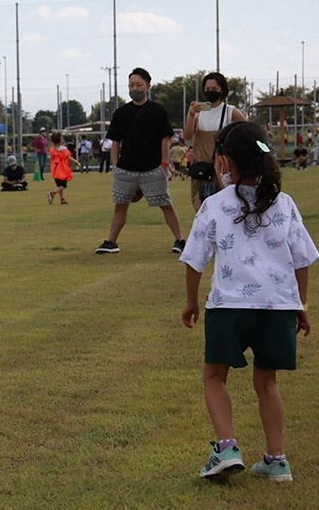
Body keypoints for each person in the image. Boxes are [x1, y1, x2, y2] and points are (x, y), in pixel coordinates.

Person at [180, 121, 318, 482]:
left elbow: (195, 259)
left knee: (214, 376)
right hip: (278, 307)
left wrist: (191, 302)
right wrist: (299, 306)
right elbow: (301, 259)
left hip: (229, 305)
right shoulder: (283, 203)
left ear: (223, 161)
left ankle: (226, 448)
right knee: (267, 382)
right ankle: (276, 460)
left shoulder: (214, 205)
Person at [95, 67, 186, 255]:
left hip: (152, 168)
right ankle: (111, 242)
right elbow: (115, 141)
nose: (134, 88)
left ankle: (180, 240)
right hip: (126, 169)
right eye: (131, 85)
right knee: (120, 206)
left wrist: (164, 164)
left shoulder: (158, 111)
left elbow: (165, 139)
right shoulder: (121, 113)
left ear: (148, 85)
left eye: (138, 85)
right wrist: (115, 164)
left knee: (165, 204)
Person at [184, 72, 247, 212]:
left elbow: (248, 129)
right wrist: (191, 115)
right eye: (207, 89)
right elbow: (187, 135)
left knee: (226, 205)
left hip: (223, 166)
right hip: (202, 166)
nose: (210, 92)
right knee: (201, 206)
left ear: (222, 90)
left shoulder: (230, 111)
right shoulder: (198, 110)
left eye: (214, 89)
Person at [47, 131, 81, 205]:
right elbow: (69, 157)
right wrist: (76, 162)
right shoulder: (63, 149)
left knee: (59, 185)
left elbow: (51, 159)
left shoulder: (52, 149)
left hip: (55, 169)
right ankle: (52, 193)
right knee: (63, 186)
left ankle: (62, 199)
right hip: (61, 169)